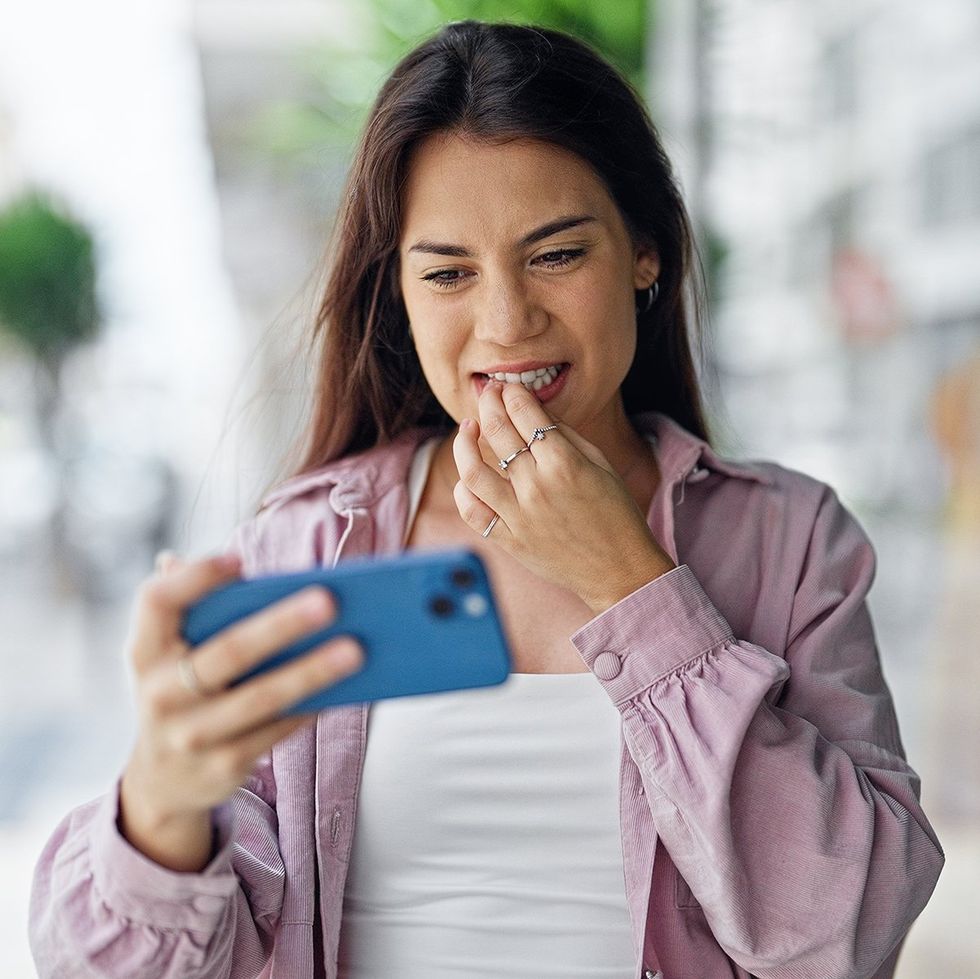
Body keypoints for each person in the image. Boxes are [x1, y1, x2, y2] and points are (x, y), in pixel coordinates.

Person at [28, 20, 944, 979]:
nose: (506, 321)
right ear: (401, 297)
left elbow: (845, 935)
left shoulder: (790, 542)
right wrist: (162, 809)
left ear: (644, 252)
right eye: (448, 273)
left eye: (555, 255)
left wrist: (635, 587)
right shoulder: (309, 546)